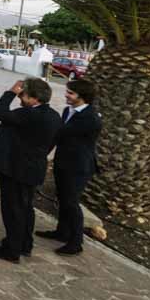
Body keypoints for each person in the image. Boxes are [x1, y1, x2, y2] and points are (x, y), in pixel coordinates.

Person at [0, 78, 63, 263]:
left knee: (12, 208)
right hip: (34, 168)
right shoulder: (54, 116)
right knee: (26, 208)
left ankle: (11, 249)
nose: (19, 98)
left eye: (22, 95)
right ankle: (25, 243)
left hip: (16, 168)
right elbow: (53, 142)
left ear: (33, 98)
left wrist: (10, 92)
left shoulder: (28, 114)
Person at [37, 78, 101, 255]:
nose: (66, 95)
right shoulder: (68, 111)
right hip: (63, 162)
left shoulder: (91, 118)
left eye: (71, 93)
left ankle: (76, 242)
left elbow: (62, 133)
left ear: (83, 96)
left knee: (71, 203)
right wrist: (44, 153)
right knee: (63, 199)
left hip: (78, 167)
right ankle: (62, 232)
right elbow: (58, 137)